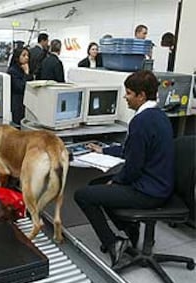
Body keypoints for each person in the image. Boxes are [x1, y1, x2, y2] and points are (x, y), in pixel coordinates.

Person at [74, 70, 174, 268]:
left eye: (128, 93)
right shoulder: (158, 116)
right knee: (96, 184)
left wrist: (117, 181)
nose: (125, 98)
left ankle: (114, 243)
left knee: (83, 195)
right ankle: (130, 227)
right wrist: (104, 150)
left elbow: (134, 167)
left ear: (141, 95)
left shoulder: (141, 121)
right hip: (160, 185)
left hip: (149, 192)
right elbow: (133, 150)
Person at [7, 47, 33, 126]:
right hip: (17, 103)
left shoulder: (25, 68)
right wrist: (26, 74)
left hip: (26, 102)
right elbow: (20, 87)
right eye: (24, 55)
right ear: (17, 57)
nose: (26, 58)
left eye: (27, 55)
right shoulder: (13, 71)